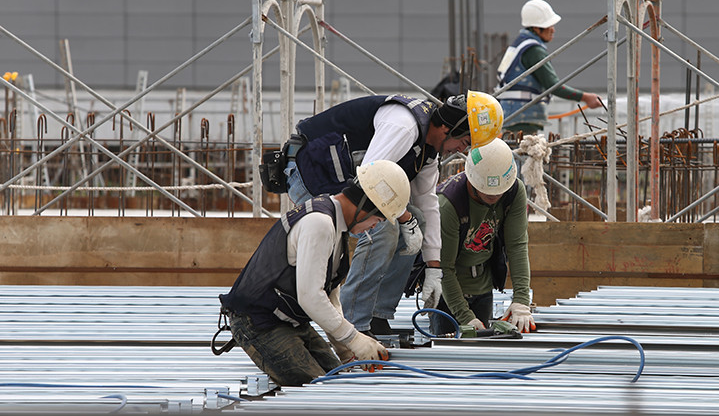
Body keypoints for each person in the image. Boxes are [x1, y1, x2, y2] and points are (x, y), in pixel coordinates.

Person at [277, 92, 503, 338]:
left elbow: (428, 203)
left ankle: (377, 315)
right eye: (466, 141)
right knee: (386, 227)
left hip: (346, 180)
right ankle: (355, 323)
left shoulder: (428, 150)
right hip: (309, 172)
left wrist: (433, 266)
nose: (463, 149)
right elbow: (369, 180)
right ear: (450, 128)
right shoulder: (403, 126)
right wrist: (405, 219)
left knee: (418, 219)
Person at [218, 160, 412, 387]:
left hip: (290, 322)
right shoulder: (319, 223)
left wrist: (346, 351)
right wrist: (354, 338)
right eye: (377, 220)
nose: (373, 228)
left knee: (340, 376)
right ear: (364, 207)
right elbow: (310, 296)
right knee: (319, 386)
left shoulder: (336, 228)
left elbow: (330, 296)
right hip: (259, 322)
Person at [426, 137, 536, 336]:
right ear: (473, 180)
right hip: (447, 294)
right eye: (487, 193)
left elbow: (517, 245)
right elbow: (444, 268)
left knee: (479, 356)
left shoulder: (513, 191)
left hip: (482, 287)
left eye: (499, 192)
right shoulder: (448, 204)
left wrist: (521, 300)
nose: (494, 197)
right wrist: (465, 316)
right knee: (447, 358)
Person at [495, 0, 604, 134]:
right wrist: (585, 97)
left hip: (510, 114)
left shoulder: (519, 44)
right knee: (526, 152)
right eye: (549, 26)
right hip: (522, 119)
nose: (553, 30)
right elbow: (554, 86)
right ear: (536, 28)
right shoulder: (534, 51)